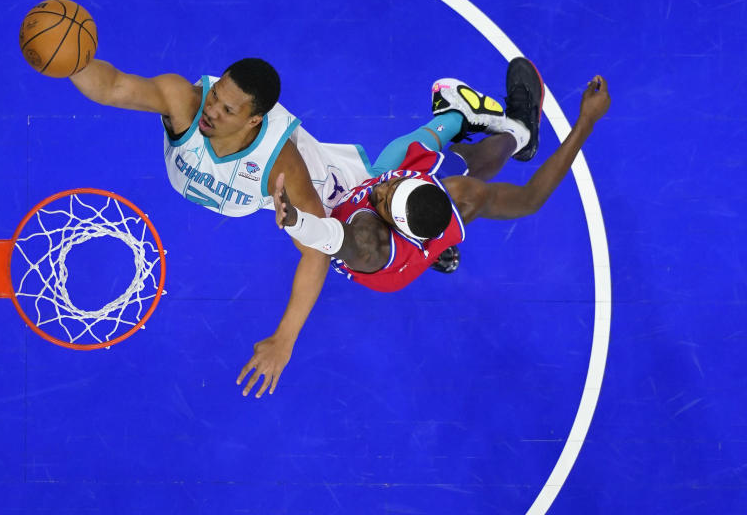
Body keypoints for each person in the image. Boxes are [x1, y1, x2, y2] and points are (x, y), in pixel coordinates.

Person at [61, 55, 541, 397]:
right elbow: (113, 86)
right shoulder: (182, 102)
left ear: (254, 121)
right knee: (426, 189)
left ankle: (511, 127)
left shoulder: (282, 173)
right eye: (217, 98)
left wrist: (283, 339)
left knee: (455, 172)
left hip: (355, 197)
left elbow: (315, 250)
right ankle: (439, 187)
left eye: (228, 110)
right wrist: (68, 59)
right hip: (345, 213)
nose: (212, 112)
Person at [237, 69, 610, 398]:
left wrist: (293, 220)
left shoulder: (369, 243)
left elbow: (326, 240)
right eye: (392, 185)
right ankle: (493, 126)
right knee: (431, 165)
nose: (380, 187)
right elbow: (530, 199)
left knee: (462, 180)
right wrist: (586, 122)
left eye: (382, 196)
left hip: (384, 256)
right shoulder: (419, 188)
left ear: (392, 220)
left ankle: (504, 136)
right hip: (418, 215)